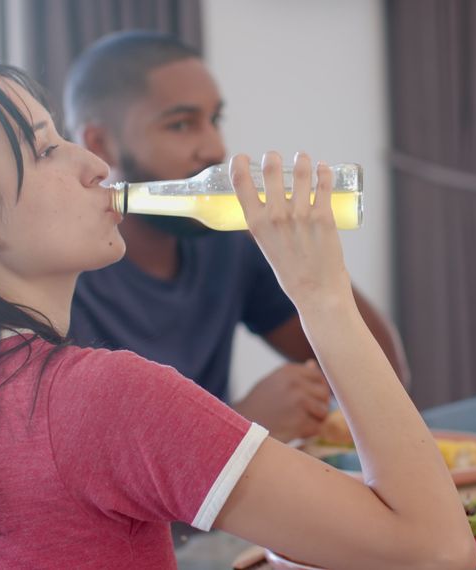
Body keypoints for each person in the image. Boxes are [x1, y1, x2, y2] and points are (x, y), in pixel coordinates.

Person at [0, 59, 475, 568]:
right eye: (45, 150)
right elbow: (437, 551)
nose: (94, 166)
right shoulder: (103, 398)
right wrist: (322, 297)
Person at [62, 31, 410, 443]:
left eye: (215, 120)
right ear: (100, 144)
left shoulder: (225, 244)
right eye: (180, 124)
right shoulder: (61, 276)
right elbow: (82, 463)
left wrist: (314, 270)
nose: (214, 148)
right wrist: (242, 425)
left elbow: (387, 377)